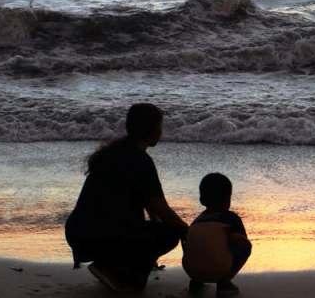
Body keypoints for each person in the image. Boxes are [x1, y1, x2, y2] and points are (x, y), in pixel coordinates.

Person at [65, 103, 188, 291]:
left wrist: (150, 255)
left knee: (140, 229)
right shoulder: (141, 161)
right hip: (104, 237)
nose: (161, 132)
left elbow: (151, 208)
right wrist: (186, 231)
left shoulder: (109, 153)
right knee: (171, 233)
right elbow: (160, 208)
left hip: (79, 233)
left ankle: (111, 266)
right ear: (151, 129)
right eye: (160, 127)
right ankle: (114, 271)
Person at [182, 173, 252, 297]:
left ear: (201, 199)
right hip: (219, 268)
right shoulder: (231, 218)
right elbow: (241, 240)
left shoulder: (196, 221)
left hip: (191, 270)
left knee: (196, 242)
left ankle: (196, 283)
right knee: (245, 245)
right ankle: (224, 283)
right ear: (227, 199)